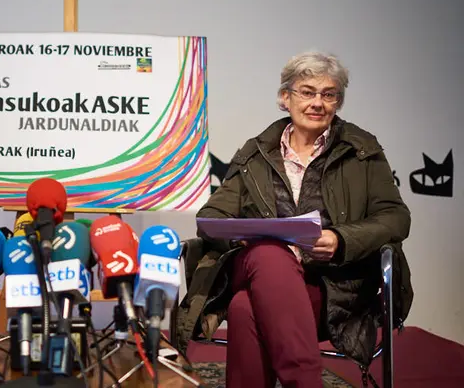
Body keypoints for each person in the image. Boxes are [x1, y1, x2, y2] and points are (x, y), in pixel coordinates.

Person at [175, 51, 413, 387]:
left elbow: (396, 217)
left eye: (328, 94)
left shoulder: (360, 151)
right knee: (268, 252)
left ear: (338, 102)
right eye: (307, 92)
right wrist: (243, 236)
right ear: (285, 97)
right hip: (256, 267)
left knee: (244, 308)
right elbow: (211, 216)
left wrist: (341, 239)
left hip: (331, 287)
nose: (317, 103)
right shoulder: (256, 154)